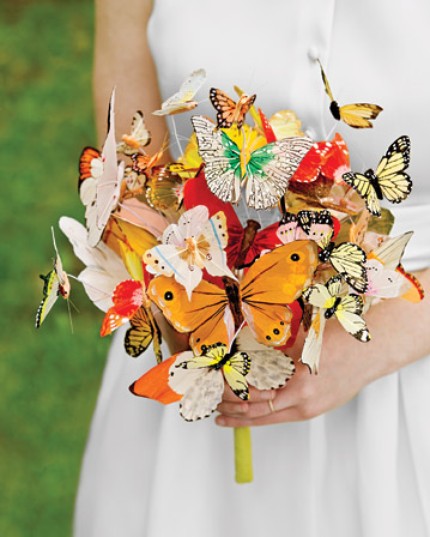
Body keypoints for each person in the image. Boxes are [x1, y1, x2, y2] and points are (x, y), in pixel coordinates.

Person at [75, 1, 430, 536]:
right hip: (197, 326)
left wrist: (377, 343)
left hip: (408, 362)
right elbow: (131, 135)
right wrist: (170, 283)